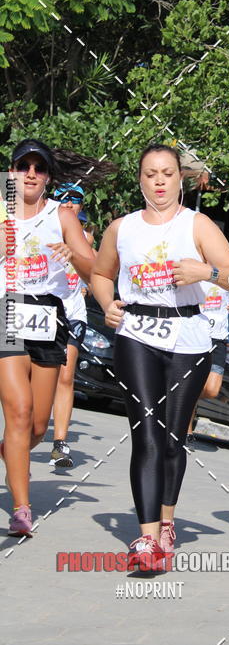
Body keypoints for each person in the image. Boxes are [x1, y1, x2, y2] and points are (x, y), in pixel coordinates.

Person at [90, 144, 229, 570]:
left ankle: (168, 519)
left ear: (181, 178)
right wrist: (107, 303)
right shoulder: (121, 228)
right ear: (139, 179)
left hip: (188, 338)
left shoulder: (199, 225)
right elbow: (101, 274)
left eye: (167, 173)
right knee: (147, 435)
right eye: (150, 173)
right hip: (136, 333)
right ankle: (146, 540)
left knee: (173, 438)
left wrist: (212, 278)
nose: (159, 181)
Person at [0, 140, 95, 537]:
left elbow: (94, 269)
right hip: (7, 312)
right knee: (18, 414)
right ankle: (22, 509)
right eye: (24, 166)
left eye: (39, 168)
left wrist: (72, 256)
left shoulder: (61, 216)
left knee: (37, 425)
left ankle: (12, 453)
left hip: (49, 318)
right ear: (13, 172)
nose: (31, 174)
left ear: (49, 178)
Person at [49, 183, 96, 468]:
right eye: (62, 199)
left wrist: (89, 285)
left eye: (75, 200)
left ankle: (60, 444)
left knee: (66, 376)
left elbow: (97, 271)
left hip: (73, 313)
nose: (68, 204)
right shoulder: (38, 228)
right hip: (40, 309)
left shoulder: (87, 238)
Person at [186, 284, 229, 446]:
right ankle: (186, 430)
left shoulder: (227, 270)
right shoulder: (195, 265)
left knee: (212, 389)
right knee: (191, 385)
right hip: (193, 333)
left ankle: (180, 402)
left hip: (218, 338)